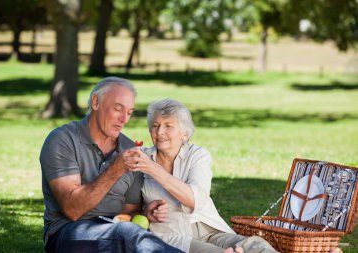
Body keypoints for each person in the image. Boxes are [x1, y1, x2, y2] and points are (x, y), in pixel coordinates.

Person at [40, 77, 184, 253]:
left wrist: (145, 215)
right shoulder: (63, 139)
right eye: (118, 108)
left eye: (129, 112)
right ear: (95, 102)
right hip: (69, 233)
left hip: (117, 233)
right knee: (128, 233)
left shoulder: (130, 149)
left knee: (129, 232)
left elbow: (129, 213)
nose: (124, 119)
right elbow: (72, 210)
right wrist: (115, 170)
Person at [123, 98, 278, 253]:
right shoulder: (141, 159)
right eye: (155, 126)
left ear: (184, 134)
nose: (159, 132)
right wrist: (147, 213)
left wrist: (153, 169)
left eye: (168, 126)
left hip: (209, 229)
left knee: (256, 245)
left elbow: (194, 200)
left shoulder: (197, 155)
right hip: (173, 235)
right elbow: (129, 213)